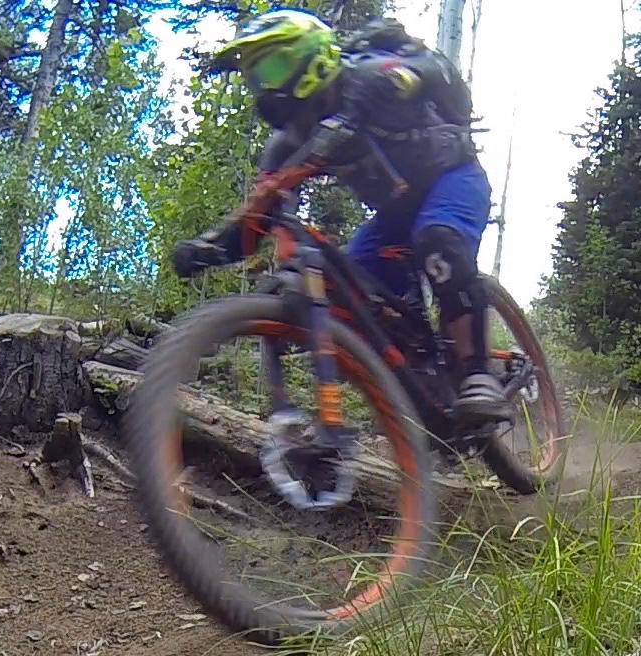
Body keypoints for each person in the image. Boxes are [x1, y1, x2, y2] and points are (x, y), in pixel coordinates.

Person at [170, 9, 509, 426]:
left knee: (438, 240)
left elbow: (439, 71)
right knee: (354, 299)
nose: (265, 87)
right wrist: (206, 250)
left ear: (310, 56)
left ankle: (478, 372)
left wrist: (405, 77)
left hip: (453, 178)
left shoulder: (364, 78)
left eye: (274, 67)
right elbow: (258, 219)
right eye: (256, 78)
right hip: (392, 216)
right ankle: (427, 391)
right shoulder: (286, 145)